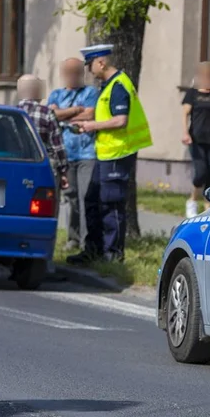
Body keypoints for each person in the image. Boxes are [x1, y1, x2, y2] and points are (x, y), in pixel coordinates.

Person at [72, 44, 153, 263]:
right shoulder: (108, 86)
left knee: (111, 204)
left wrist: (92, 126)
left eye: (90, 65)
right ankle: (93, 250)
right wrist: (83, 120)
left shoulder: (118, 86)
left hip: (118, 153)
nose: (89, 71)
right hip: (106, 154)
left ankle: (113, 254)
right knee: (92, 200)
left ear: (101, 62)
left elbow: (120, 120)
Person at [17, 74, 69, 274]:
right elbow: (58, 145)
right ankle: (45, 263)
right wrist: (64, 170)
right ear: (39, 92)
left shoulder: (12, 113)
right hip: (44, 168)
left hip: (16, 167)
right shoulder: (46, 113)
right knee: (47, 216)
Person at [47, 58, 99, 252]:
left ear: (82, 73)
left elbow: (90, 115)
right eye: (68, 72)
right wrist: (76, 110)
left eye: (76, 72)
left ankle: (87, 242)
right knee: (71, 198)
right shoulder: (56, 94)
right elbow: (51, 116)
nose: (72, 76)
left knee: (86, 197)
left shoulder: (90, 92)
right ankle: (73, 238)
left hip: (87, 152)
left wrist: (63, 113)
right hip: (65, 152)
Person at [181, 62, 210, 218]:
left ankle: (208, 206)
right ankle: (192, 200)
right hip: (195, 138)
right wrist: (185, 133)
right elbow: (185, 114)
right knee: (200, 172)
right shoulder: (192, 93)